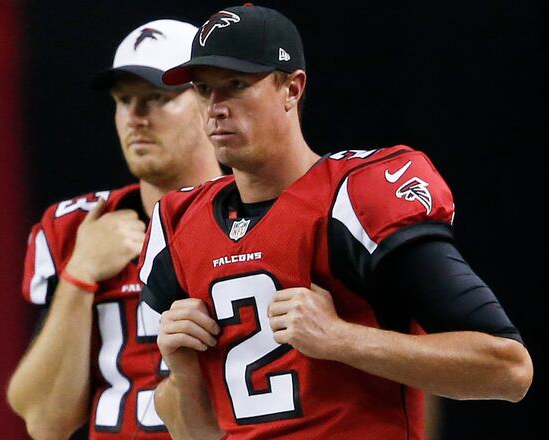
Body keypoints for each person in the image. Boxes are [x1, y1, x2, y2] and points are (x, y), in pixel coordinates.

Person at [138, 5, 533, 440]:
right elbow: (200, 435)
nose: (216, 107)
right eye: (204, 89)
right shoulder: (179, 222)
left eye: (236, 85)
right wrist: (182, 367)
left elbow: (508, 368)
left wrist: (339, 338)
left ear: (292, 89)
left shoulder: (355, 198)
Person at [6, 19, 221, 440]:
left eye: (157, 98)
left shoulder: (257, 218)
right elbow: (45, 420)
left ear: (210, 102)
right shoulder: (79, 227)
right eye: (124, 100)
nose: (136, 117)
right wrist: (79, 275)